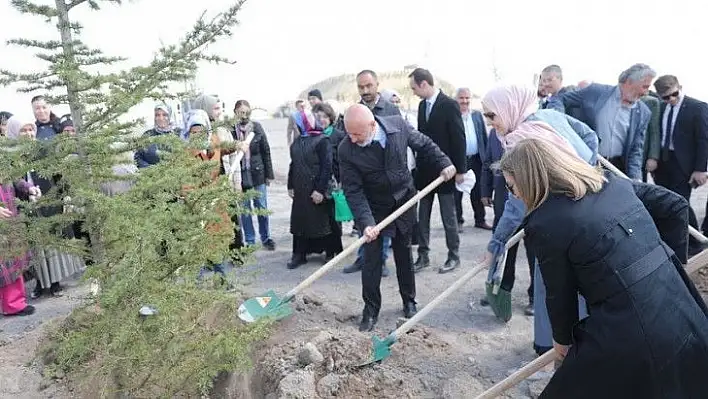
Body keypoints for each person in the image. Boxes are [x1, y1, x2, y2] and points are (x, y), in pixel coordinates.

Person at [499, 138, 708, 398]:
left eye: (512, 186)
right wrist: (669, 265)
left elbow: (558, 294)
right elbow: (675, 205)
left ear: (530, 178)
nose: (514, 195)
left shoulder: (545, 222)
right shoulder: (610, 182)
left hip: (630, 330)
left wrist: (562, 342)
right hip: (681, 305)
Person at [338, 104, 455, 332]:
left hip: (404, 200)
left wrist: (445, 163)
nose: (352, 139)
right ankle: (370, 310)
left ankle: (409, 301)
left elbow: (424, 144)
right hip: (374, 207)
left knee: (404, 253)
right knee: (372, 260)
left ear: (372, 125)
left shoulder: (398, 126)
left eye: (357, 134)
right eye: (349, 133)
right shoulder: (346, 149)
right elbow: (353, 190)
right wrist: (366, 223)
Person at [286, 109, 343, 268]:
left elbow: (327, 167)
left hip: (317, 188)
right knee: (300, 221)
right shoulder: (297, 142)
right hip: (300, 189)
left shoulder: (322, 140)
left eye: (297, 124)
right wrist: (290, 185)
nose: (296, 127)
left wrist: (319, 190)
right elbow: (293, 164)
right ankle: (300, 254)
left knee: (323, 222)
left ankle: (330, 251)